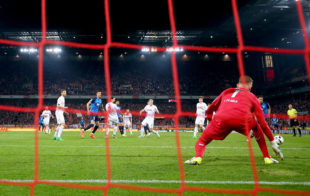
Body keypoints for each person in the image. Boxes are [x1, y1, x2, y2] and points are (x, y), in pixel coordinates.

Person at [185, 76, 283, 165]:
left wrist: (211, 123)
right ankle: (267, 158)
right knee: (256, 127)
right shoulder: (252, 97)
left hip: (221, 120)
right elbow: (263, 123)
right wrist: (272, 142)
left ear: (237, 85)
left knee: (202, 140)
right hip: (242, 121)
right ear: (249, 86)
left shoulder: (226, 91)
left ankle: (198, 158)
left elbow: (210, 109)